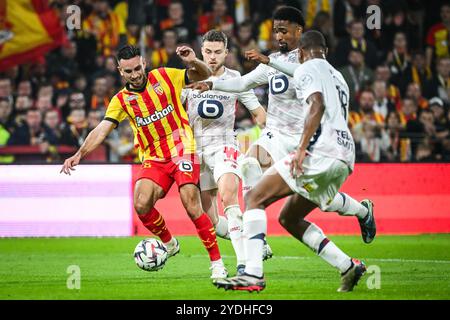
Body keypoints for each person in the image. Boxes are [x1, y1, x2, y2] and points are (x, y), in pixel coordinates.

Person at [190, 6, 375, 245]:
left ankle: (363, 211)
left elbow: (301, 73)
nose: (278, 36)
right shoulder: (273, 62)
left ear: (298, 30)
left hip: (305, 140)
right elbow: (243, 83)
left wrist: (269, 61)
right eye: (275, 31)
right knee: (248, 164)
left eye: (283, 31)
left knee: (322, 200)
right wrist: (212, 85)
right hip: (275, 136)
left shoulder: (313, 61)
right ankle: (255, 234)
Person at [214, 31, 371, 292]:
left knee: (255, 199)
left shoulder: (307, 68)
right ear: (326, 51)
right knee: (289, 217)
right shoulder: (338, 76)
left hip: (317, 151)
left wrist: (301, 149)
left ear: (301, 50)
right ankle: (348, 265)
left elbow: (317, 105)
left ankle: (252, 272)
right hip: (345, 157)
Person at [60, 45, 228, 280]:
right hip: (154, 158)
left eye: (138, 68)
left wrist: (193, 61)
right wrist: (80, 153)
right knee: (141, 204)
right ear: (120, 71)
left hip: (183, 150)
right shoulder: (121, 100)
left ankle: (217, 264)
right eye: (129, 71)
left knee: (191, 202)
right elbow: (102, 129)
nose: (135, 75)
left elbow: (205, 75)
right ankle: (170, 243)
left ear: (144, 63)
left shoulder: (165, 76)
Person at [182, 30, 266, 276]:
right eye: (207, 51)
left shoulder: (236, 79)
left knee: (229, 196)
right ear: (201, 52)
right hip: (194, 150)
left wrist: (273, 136)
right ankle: (253, 238)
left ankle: (244, 266)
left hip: (224, 145)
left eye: (218, 52)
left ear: (226, 53)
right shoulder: (186, 79)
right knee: (213, 222)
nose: (212, 57)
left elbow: (258, 113)